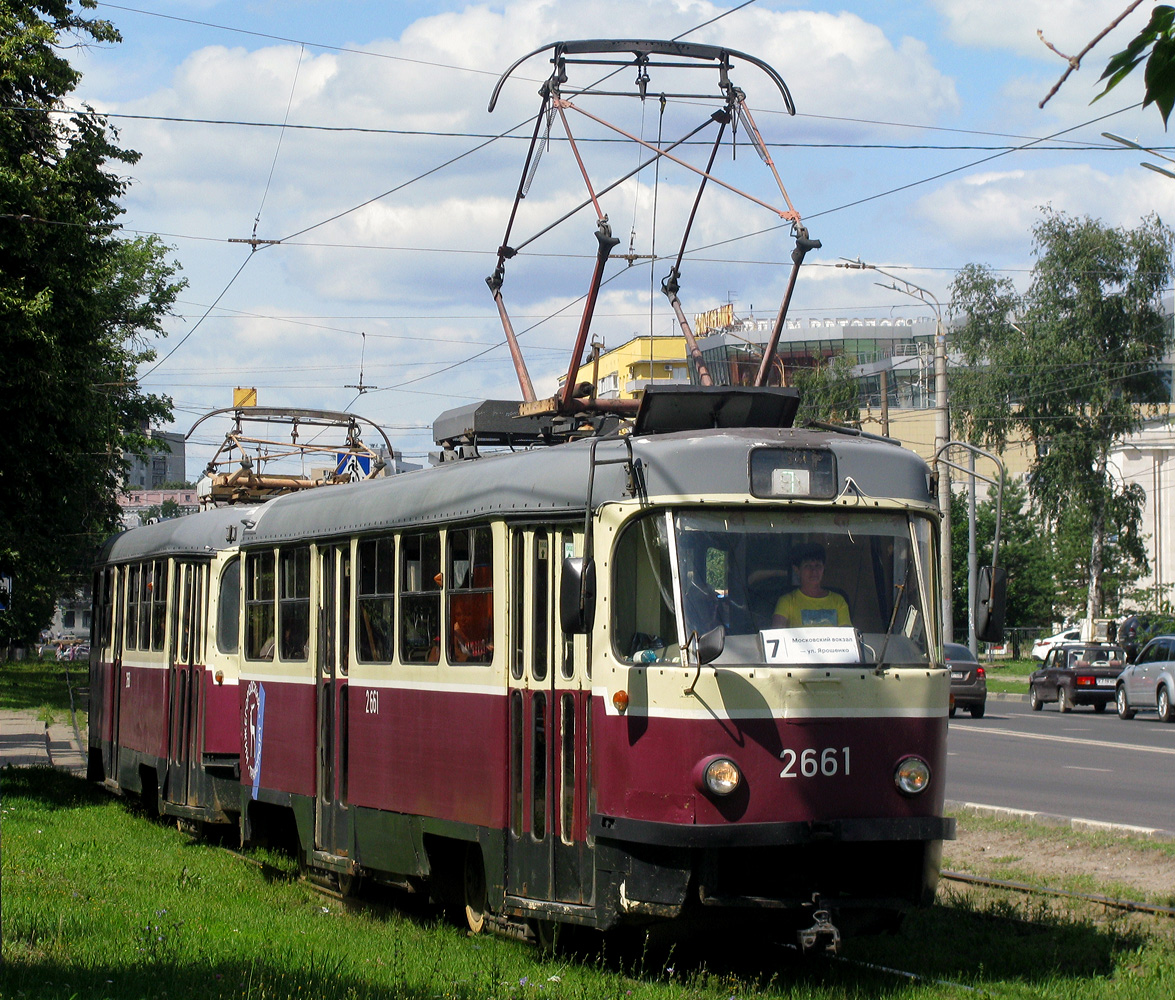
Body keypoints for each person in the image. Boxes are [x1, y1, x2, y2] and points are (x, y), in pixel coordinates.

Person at [772, 542, 850, 628]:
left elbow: (847, 635)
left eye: (818, 566)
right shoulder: (787, 601)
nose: (814, 571)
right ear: (797, 570)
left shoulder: (838, 601)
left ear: (823, 568)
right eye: (808, 566)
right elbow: (777, 633)